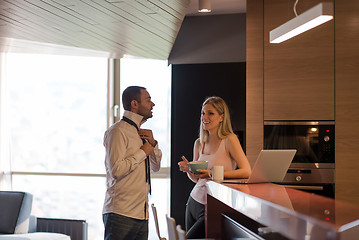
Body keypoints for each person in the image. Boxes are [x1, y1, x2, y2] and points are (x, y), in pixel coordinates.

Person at [178, 96, 251, 239]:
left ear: (221, 117)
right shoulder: (199, 143)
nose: (204, 117)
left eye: (210, 113)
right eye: (202, 113)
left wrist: (211, 174)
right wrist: (189, 170)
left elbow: (247, 171)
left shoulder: (230, 139)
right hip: (193, 202)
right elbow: (196, 179)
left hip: (212, 205)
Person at [102, 86, 162, 240]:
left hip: (141, 214)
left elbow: (155, 167)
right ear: (134, 104)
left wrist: (153, 145)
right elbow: (117, 169)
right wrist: (143, 151)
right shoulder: (117, 131)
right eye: (148, 100)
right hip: (120, 214)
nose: (152, 104)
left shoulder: (142, 134)